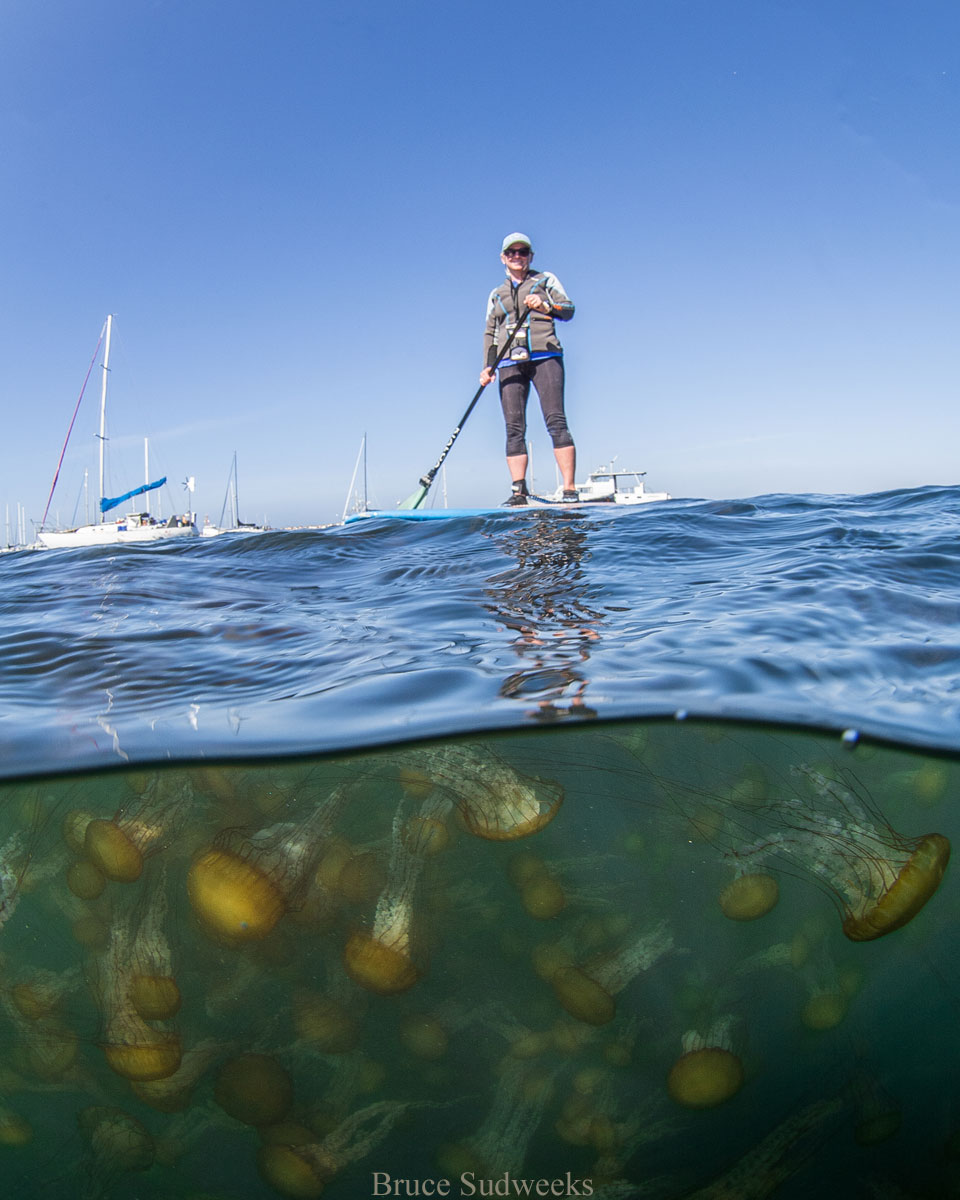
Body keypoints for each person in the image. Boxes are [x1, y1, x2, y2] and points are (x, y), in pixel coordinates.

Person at [479, 233, 577, 505]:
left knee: (556, 421)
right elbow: (490, 334)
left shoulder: (545, 280)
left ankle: (569, 490)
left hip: (546, 356)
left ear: (530, 256)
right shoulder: (496, 294)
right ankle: (518, 491)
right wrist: (488, 366)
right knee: (513, 428)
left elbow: (568, 309)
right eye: (512, 253)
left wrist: (546, 305)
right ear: (503, 258)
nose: (517, 257)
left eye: (523, 252)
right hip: (510, 362)